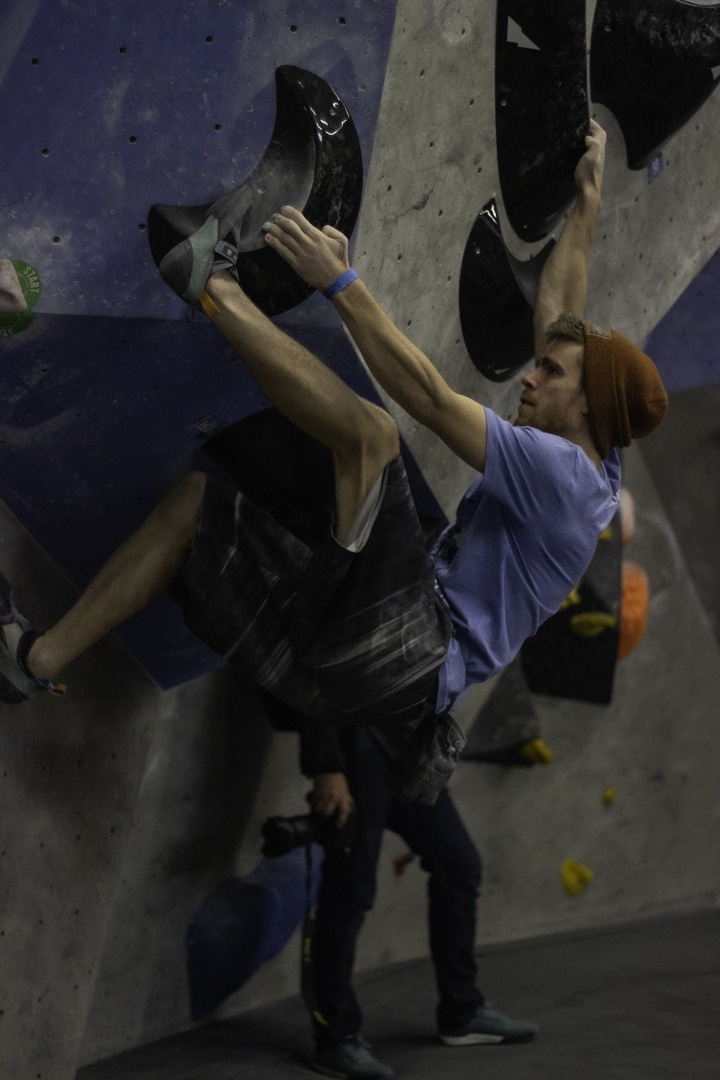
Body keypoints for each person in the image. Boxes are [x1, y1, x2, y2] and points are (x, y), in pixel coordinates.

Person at [0, 121, 667, 803]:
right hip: (364, 684)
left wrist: (338, 280)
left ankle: (208, 283)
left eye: (550, 375)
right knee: (195, 511)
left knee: (373, 439)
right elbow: (559, 312)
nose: (531, 376)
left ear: (588, 406)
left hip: (409, 652)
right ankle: (32, 661)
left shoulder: (565, 478)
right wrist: (588, 197)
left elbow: (430, 400)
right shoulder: (597, 459)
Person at [262, 688, 537, 1080]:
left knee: (459, 867)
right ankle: (335, 1039)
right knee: (350, 891)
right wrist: (326, 765)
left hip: (404, 742)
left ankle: (462, 1012)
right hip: (354, 742)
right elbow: (315, 672)